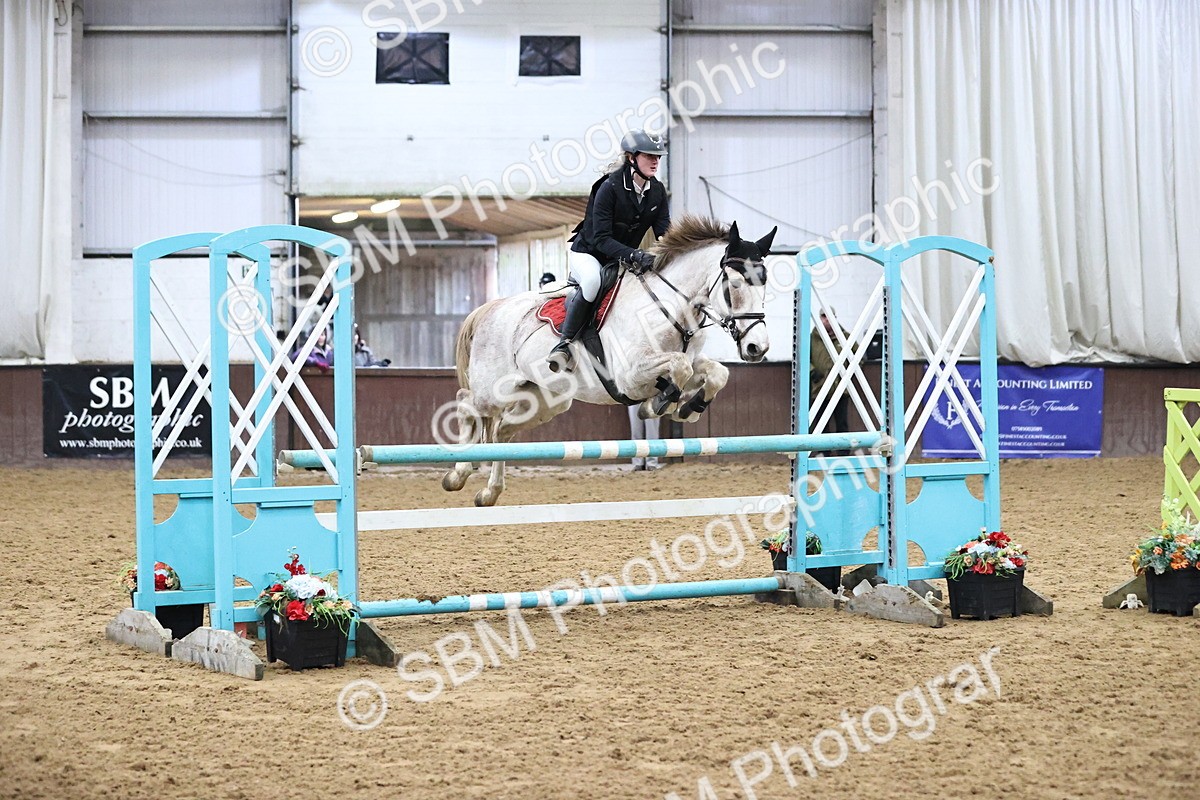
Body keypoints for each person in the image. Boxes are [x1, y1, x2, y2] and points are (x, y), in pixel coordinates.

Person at [547, 128, 671, 372]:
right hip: (589, 254)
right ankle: (565, 344)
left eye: (658, 157)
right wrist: (634, 254)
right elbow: (601, 238)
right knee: (592, 282)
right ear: (631, 158)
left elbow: (665, 234)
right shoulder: (609, 187)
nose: (655, 161)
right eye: (649, 156)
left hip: (621, 259)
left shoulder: (657, 191)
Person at [810, 310, 850, 434]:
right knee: (821, 425)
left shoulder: (846, 337)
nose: (827, 319)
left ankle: (844, 452)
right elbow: (803, 359)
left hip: (841, 389)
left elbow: (859, 357)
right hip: (819, 388)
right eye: (824, 316)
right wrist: (812, 372)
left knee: (842, 424)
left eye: (830, 316)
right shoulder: (811, 339)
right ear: (819, 318)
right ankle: (823, 452)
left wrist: (848, 374)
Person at [628, 406, 661, 470]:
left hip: (652, 396)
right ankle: (638, 462)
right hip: (634, 397)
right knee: (636, 429)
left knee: (652, 430)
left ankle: (652, 462)